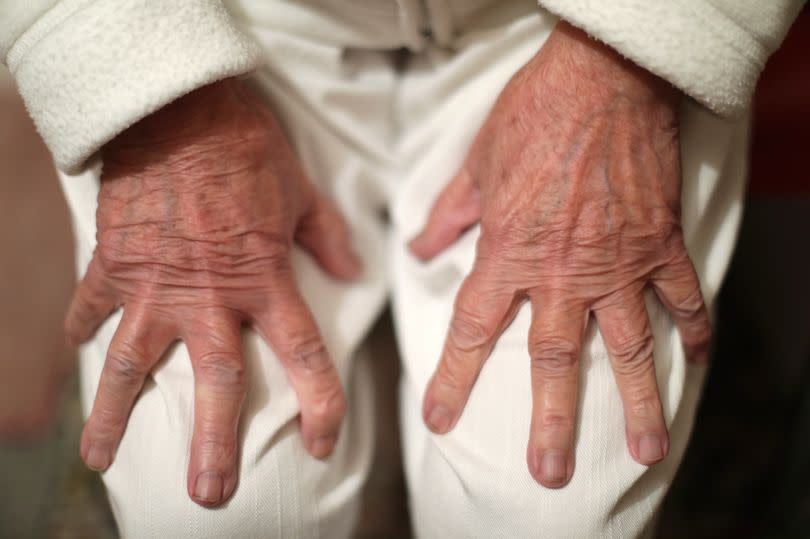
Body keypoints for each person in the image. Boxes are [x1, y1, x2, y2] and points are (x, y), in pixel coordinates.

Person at [1, 0, 802, 537]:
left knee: (551, 509)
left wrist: (635, 59)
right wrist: (134, 90)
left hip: (566, 28)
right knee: (209, 513)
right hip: (221, 34)